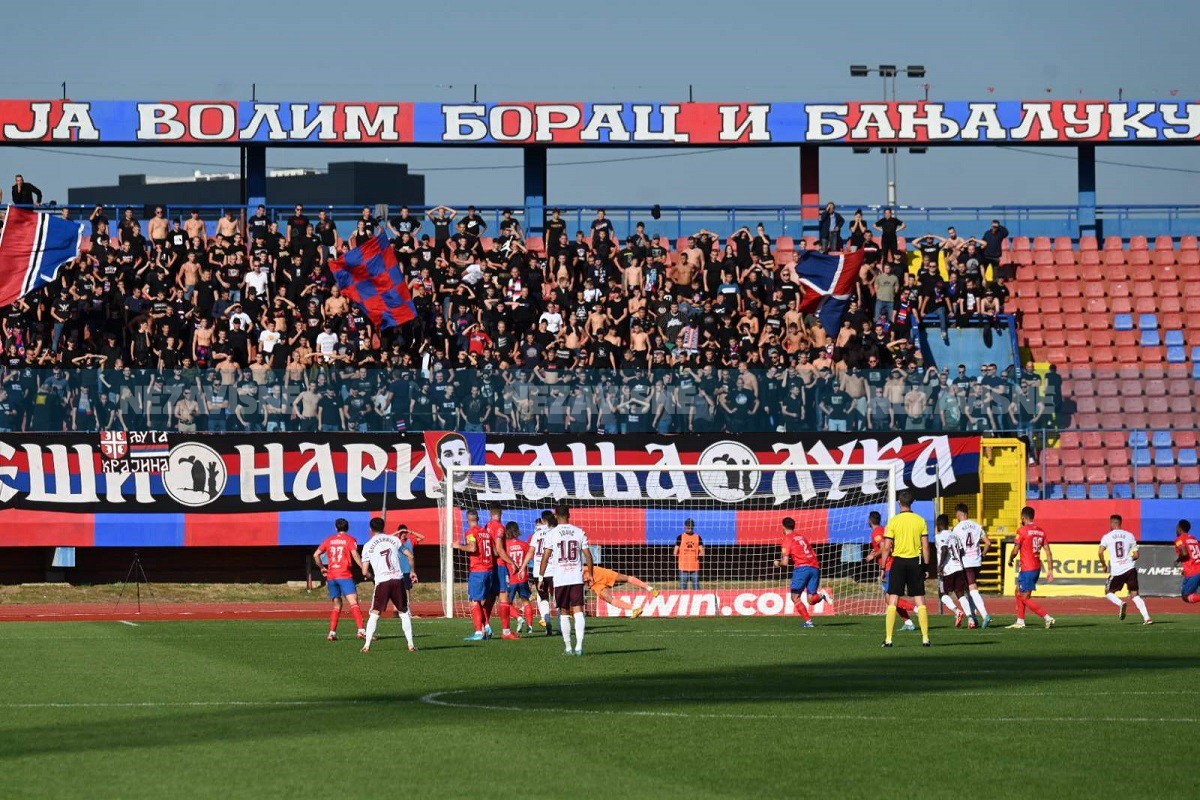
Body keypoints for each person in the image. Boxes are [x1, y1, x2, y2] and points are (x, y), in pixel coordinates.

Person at [538, 502, 592, 656]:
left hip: (561, 578)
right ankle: (579, 647)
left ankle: (568, 648)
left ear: (555, 515)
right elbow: (588, 555)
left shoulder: (552, 534)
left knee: (563, 611)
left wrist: (541, 577)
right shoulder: (579, 532)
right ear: (569, 515)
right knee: (578, 611)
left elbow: (545, 557)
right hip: (576, 577)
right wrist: (591, 574)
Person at [451, 509, 514, 641]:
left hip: (478, 571)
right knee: (485, 600)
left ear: (468, 520)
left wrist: (458, 546)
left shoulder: (470, 532)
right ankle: (487, 626)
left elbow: (472, 548)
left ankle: (479, 632)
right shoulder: (486, 533)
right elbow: (496, 552)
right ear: (478, 518)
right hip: (490, 570)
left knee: (474, 601)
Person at [879, 490, 931, 647]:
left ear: (899, 503)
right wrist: (926, 566)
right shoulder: (920, 520)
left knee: (892, 599)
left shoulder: (893, 521)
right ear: (912, 502)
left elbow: (887, 547)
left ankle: (888, 639)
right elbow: (926, 545)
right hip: (915, 562)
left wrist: (883, 567)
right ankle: (925, 638)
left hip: (899, 562)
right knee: (920, 600)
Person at [360, 517, 417, 653]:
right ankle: (410, 644)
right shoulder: (395, 540)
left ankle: (367, 645)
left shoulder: (368, 545)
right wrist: (412, 572)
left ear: (370, 529)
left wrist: (371, 577)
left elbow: (364, 571)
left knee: (375, 613)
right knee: (404, 612)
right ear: (384, 527)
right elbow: (410, 556)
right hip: (398, 579)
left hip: (382, 581)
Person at [313, 518, 367, 641]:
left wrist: (322, 567)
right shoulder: (350, 539)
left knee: (337, 605)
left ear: (336, 528)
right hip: (344, 574)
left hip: (331, 575)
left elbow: (316, 554)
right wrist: (364, 568)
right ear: (347, 528)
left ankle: (332, 632)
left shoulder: (329, 540)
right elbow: (355, 555)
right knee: (353, 602)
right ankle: (361, 631)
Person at [774, 517, 832, 628]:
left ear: (783, 527)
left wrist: (778, 563)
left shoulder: (787, 539)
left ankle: (809, 622)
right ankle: (822, 595)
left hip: (802, 568)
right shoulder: (802, 537)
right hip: (815, 567)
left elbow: (785, 563)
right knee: (811, 599)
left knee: (795, 597)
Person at [1006, 506, 1055, 629]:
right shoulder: (1041, 531)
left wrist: (1011, 559)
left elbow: (1015, 550)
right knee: (1018, 592)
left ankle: (1047, 617)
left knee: (1025, 597)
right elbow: (1048, 551)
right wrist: (1050, 570)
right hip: (1036, 567)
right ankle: (1020, 621)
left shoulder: (1022, 531)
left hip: (1027, 568)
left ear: (1023, 518)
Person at [864, 511, 914, 631]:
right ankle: (908, 622)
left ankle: (917, 608)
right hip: (890, 565)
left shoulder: (877, 532)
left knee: (890, 598)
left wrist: (873, 556)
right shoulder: (883, 529)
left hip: (889, 566)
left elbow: (884, 547)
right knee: (889, 598)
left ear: (870, 521)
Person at [1099, 515, 1152, 624]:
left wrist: (1104, 565)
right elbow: (1136, 555)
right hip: (1130, 568)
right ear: (1120, 523)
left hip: (1117, 570)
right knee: (1135, 595)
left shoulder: (1107, 536)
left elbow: (1100, 552)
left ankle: (1121, 603)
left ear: (1112, 523)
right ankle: (1147, 618)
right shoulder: (1130, 535)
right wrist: (1127, 559)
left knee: (1108, 592)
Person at [952, 503, 992, 628]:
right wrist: (983, 555)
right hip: (977, 561)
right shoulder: (977, 525)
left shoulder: (957, 529)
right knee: (970, 589)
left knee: (972, 588)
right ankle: (974, 618)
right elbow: (988, 543)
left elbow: (955, 548)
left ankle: (985, 615)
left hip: (966, 562)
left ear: (958, 514)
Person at [935, 514, 973, 627]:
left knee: (942, 594)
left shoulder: (939, 536)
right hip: (959, 567)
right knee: (960, 594)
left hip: (948, 569)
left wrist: (941, 566)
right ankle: (971, 619)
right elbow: (961, 551)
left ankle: (957, 611)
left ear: (938, 525)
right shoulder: (955, 535)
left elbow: (944, 549)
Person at [502, 521, 536, 635]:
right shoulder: (524, 544)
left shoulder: (505, 545)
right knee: (526, 602)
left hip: (510, 578)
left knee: (507, 603)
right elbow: (531, 556)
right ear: (517, 531)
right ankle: (530, 627)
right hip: (523, 578)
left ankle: (519, 618)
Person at [586, 564, 659, 617]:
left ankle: (651, 589)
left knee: (624, 578)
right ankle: (635, 608)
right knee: (609, 598)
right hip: (593, 581)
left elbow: (587, 560)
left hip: (596, 573)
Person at [528, 510, 558, 635]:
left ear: (542, 520)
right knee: (558, 599)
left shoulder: (537, 533)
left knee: (543, 597)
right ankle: (562, 627)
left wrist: (523, 565)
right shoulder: (555, 532)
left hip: (539, 571)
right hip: (554, 570)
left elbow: (531, 552)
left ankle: (546, 620)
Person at [1174, 520, 1200, 603]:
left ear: (1179, 528)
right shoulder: (1194, 539)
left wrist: (1178, 560)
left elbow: (1185, 554)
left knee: (1186, 596)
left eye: (1177, 527)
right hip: (1197, 567)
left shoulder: (1179, 539)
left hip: (1193, 571)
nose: (1176, 529)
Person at [674, 518, 704, 589]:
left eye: (691, 528)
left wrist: (695, 557)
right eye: (688, 528)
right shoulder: (680, 537)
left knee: (696, 588)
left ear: (693, 527)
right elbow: (675, 552)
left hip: (695, 567)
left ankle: (697, 600)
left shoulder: (698, 537)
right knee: (683, 589)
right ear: (685, 527)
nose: (689, 529)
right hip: (683, 567)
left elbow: (702, 552)